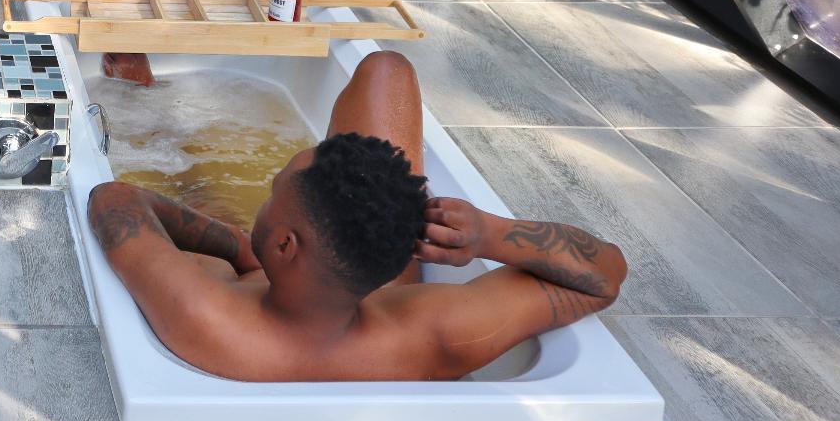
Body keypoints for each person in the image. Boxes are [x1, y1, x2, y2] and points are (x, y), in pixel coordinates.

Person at [86, 50, 626, 381]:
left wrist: (238, 246)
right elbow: (605, 277)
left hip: (262, 284)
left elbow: (115, 200)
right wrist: (490, 234)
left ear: (285, 247)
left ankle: (146, 97)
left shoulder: (206, 313)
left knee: (207, 206)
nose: (268, 197)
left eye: (273, 191)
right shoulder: (431, 336)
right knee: (386, 71)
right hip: (354, 298)